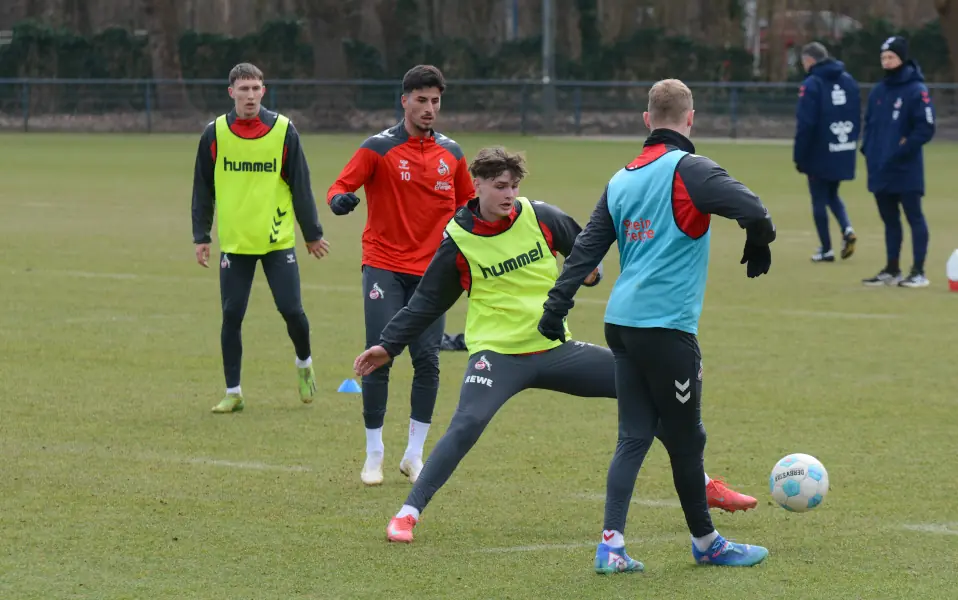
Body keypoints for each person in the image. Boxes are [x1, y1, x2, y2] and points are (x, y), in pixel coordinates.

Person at [352, 147, 758, 545]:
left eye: (513, 185)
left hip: (556, 349)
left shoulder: (541, 216)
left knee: (650, 396)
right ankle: (407, 514)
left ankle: (702, 483)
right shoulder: (459, 240)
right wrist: (388, 346)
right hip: (497, 355)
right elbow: (425, 304)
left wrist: (591, 275)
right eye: (498, 186)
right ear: (475, 185)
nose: (508, 194)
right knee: (467, 424)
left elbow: (587, 249)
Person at [538, 79, 776, 573]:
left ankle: (612, 546)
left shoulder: (620, 179)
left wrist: (555, 308)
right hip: (665, 329)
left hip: (620, 325)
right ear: (691, 119)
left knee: (634, 437)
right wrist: (760, 240)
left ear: (647, 120)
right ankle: (707, 542)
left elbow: (586, 249)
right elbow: (754, 209)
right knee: (688, 441)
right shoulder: (690, 169)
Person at [326, 65, 477, 486]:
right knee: (380, 353)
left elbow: (469, 206)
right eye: (422, 100)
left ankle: (414, 455)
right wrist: (341, 200)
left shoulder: (453, 154)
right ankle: (374, 454)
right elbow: (340, 185)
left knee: (427, 360)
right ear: (404, 100)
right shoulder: (377, 148)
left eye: (436, 101)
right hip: (384, 265)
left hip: (434, 273)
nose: (430, 109)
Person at [191, 62, 330, 414]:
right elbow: (202, 189)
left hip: (276, 241)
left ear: (263, 91)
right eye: (244, 89)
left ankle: (304, 363)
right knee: (232, 315)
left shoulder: (284, 131)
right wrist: (201, 235)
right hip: (235, 244)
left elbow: (301, 185)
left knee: (291, 310)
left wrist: (312, 233)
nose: (250, 95)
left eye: (256, 88)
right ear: (231, 92)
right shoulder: (214, 133)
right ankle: (233, 392)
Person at [861, 36, 936, 288]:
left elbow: (925, 128)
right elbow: (869, 125)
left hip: (906, 169)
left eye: (891, 57)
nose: (887, 61)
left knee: (914, 217)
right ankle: (892, 269)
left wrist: (902, 149)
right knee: (889, 220)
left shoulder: (916, 90)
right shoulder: (878, 91)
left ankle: (918, 271)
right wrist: (868, 151)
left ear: (902, 58)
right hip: (880, 168)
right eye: (883, 57)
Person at [794, 41, 860, 263]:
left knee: (819, 198)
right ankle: (847, 229)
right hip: (842, 147)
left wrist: (800, 155)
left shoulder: (812, 84)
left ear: (810, 60)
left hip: (819, 151)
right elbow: (857, 115)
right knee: (832, 193)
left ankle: (826, 248)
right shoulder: (849, 80)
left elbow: (806, 124)